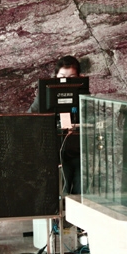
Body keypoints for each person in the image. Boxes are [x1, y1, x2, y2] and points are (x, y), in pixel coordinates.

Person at [28, 55, 83, 195]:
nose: (66, 81)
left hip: (79, 152)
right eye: (62, 77)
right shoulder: (44, 96)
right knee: (61, 190)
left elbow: (92, 117)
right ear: (55, 77)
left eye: (72, 77)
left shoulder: (84, 95)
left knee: (80, 189)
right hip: (54, 152)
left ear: (79, 77)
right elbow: (29, 117)